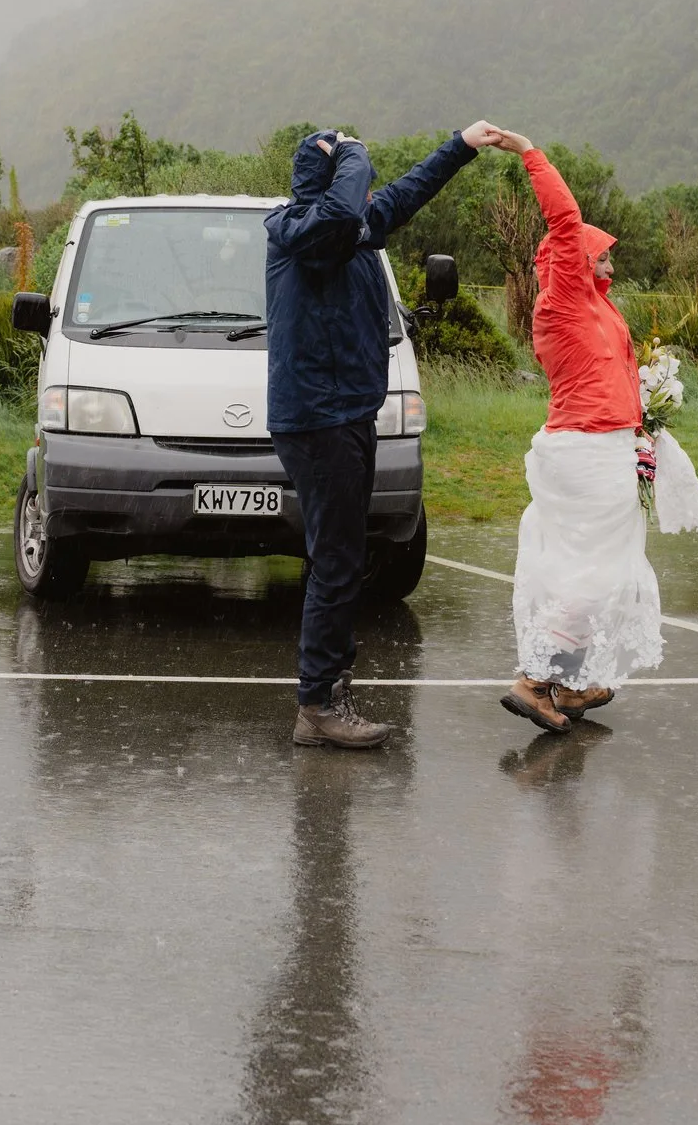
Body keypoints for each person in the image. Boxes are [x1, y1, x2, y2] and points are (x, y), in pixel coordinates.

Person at [266, 120, 500, 747]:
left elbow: (401, 194)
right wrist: (352, 151)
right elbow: (346, 206)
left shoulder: (352, 227)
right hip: (321, 418)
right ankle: (318, 704)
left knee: (343, 556)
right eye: (352, 176)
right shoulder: (302, 232)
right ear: (330, 182)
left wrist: (461, 145)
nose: (369, 196)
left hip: (349, 411)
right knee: (337, 560)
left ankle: (327, 689)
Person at [485, 129, 667, 733]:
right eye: (602, 256)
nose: (610, 264)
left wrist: (646, 427)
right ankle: (536, 681)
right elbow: (565, 220)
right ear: (575, 261)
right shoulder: (562, 298)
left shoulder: (597, 309)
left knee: (590, 570)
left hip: (604, 446)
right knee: (600, 574)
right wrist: (531, 153)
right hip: (586, 451)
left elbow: (619, 373)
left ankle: (568, 685)